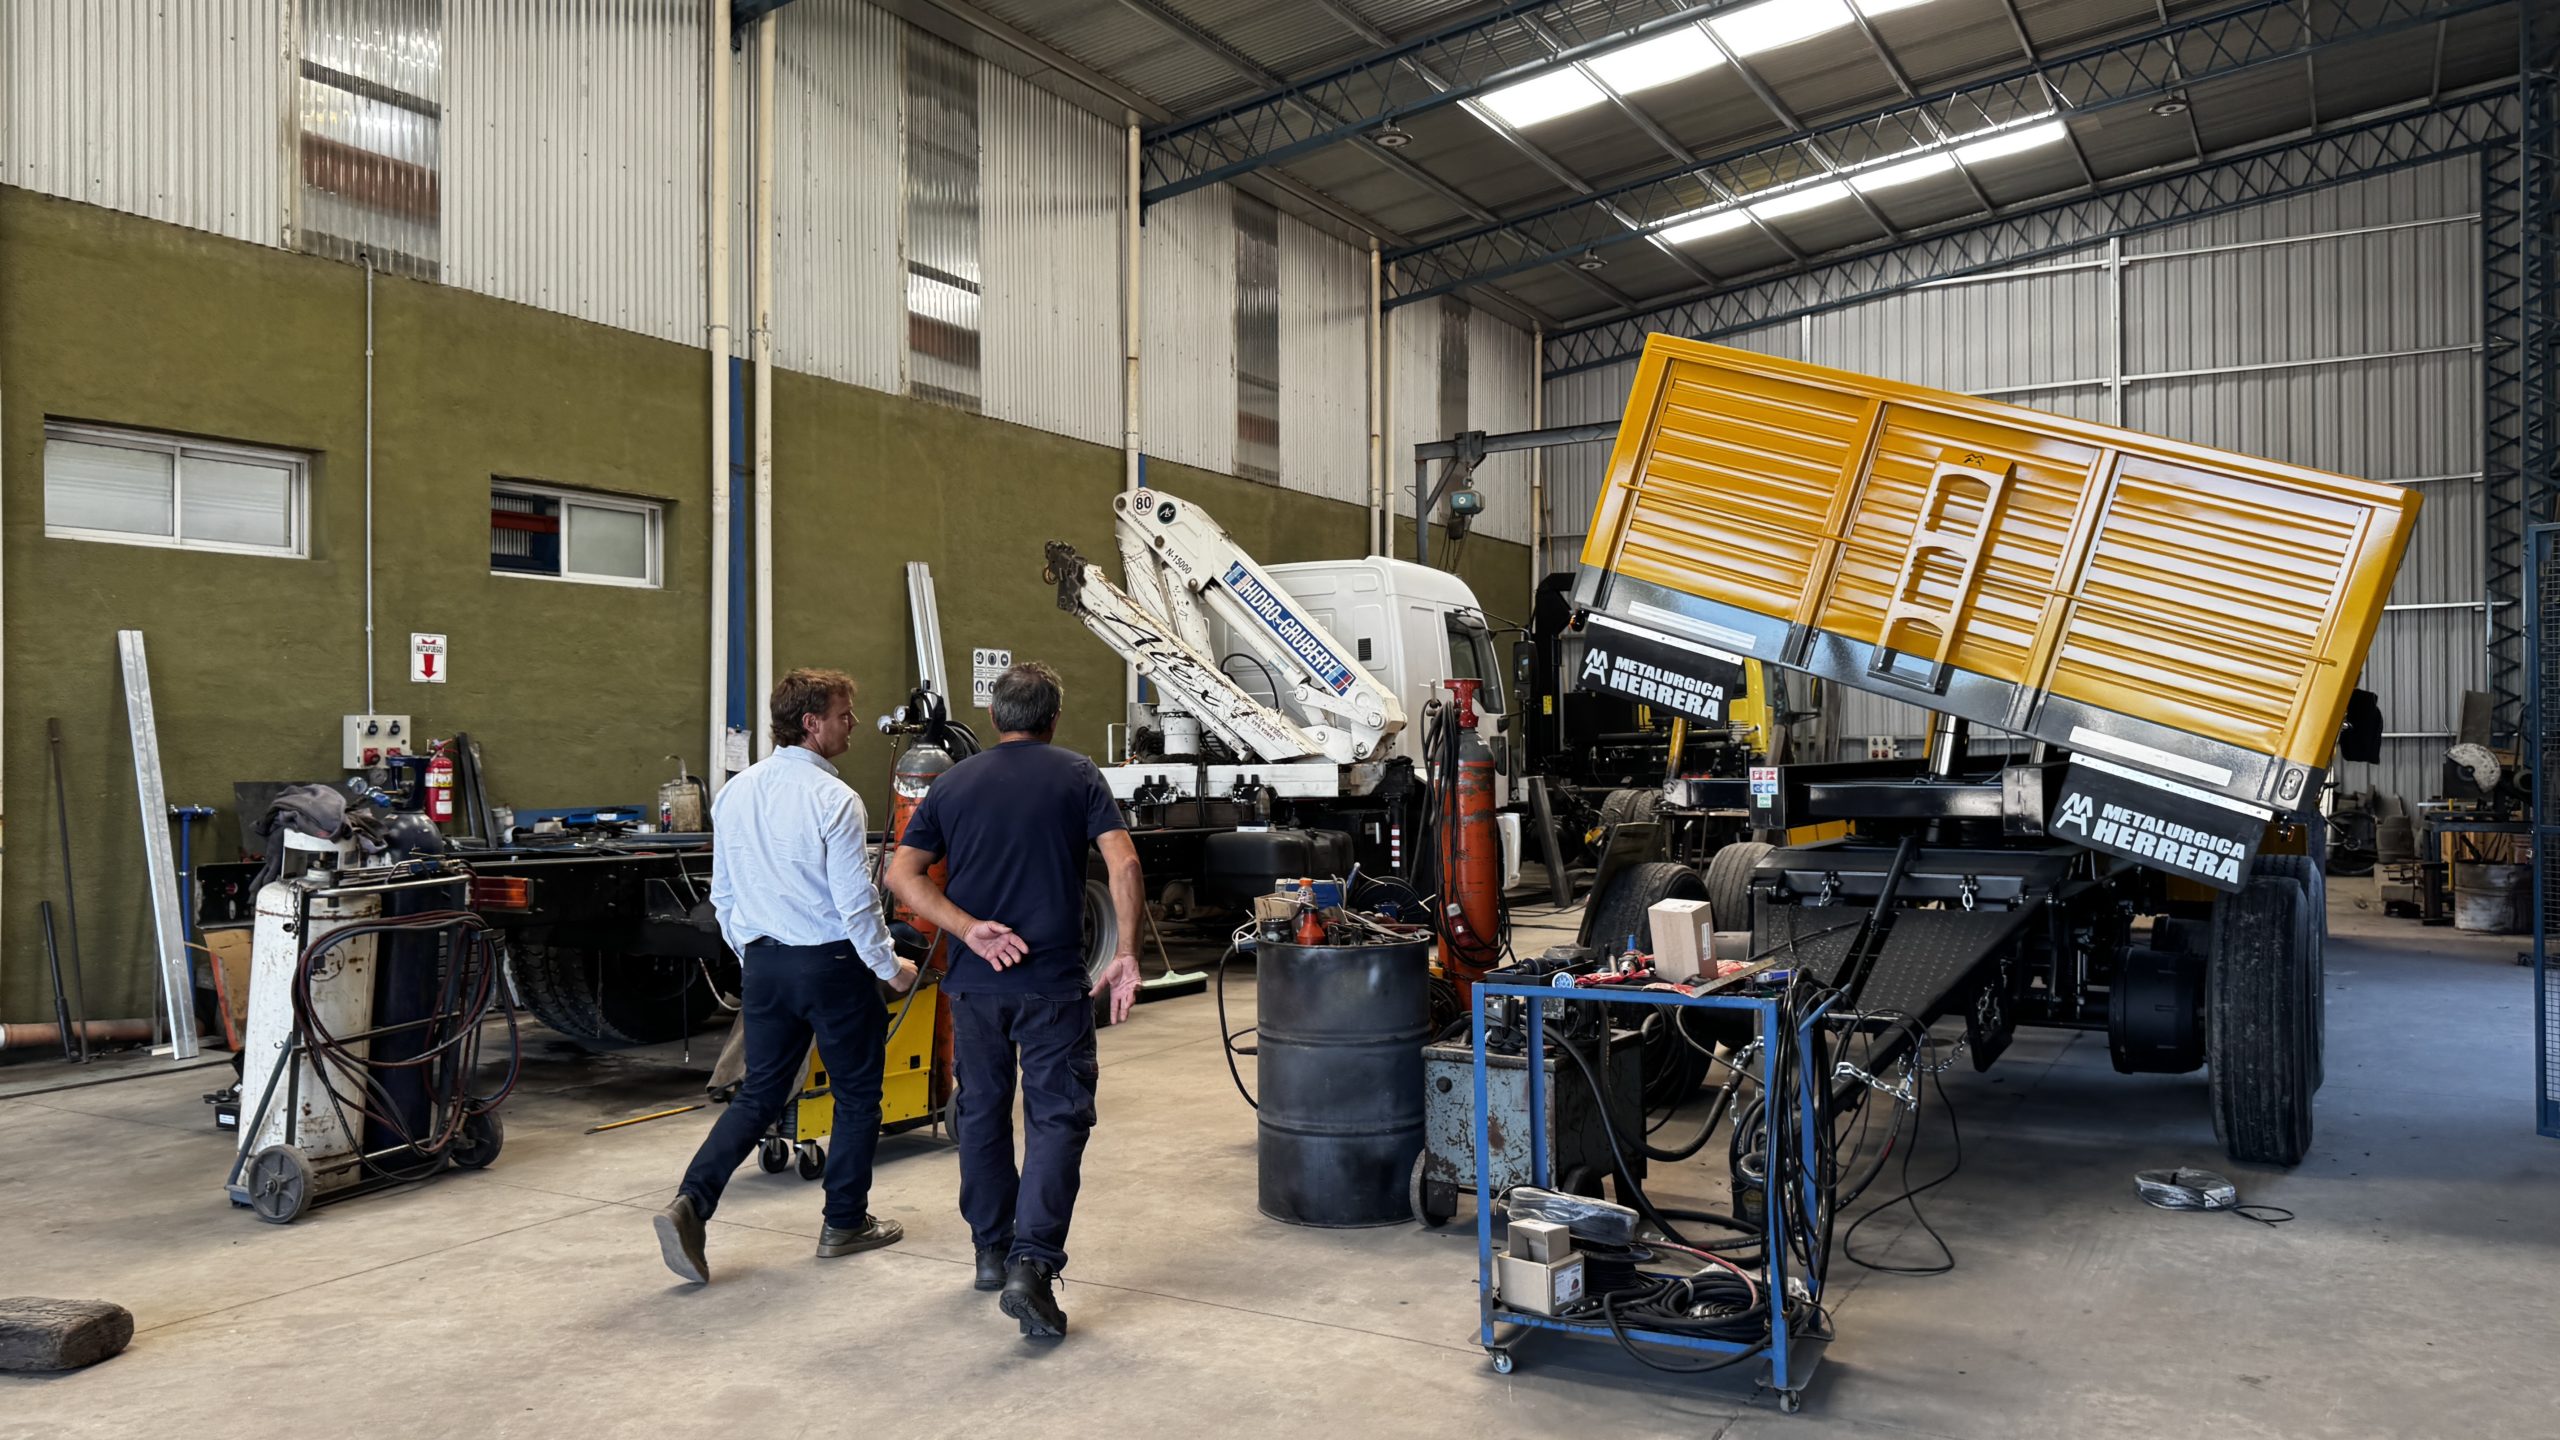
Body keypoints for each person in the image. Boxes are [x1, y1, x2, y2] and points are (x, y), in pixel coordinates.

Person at [887, 661, 1142, 1340]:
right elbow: (1123, 861)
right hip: (1052, 983)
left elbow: (902, 875)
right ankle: (1033, 1264)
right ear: (1053, 717)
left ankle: (991, 1251)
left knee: (980, 1113)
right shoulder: (1077, 774)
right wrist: (1125, 952)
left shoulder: (951, 783)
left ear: (996, 717)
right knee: (1057, 1118)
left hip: (975, 984)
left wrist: (967, 927)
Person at [653, 669, 919, 1285]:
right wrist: (891, 967)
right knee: (857, 1095)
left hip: (766, 965)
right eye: (844, 714)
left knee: (761, 1093)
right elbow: (855, 904)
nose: (853, 723)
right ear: (811, 723)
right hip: (832, 966)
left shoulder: (736, 793)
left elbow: (724, 896)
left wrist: (758, 958)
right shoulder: (835, 799)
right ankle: (844, 1222)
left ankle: (692, 1201)